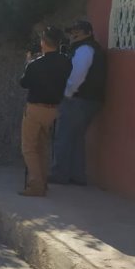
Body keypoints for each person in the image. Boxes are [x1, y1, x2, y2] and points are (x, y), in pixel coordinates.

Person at [49, 20, 107, 186]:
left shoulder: (84, 49)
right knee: (76, 138)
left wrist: (67, 94)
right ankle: (77, 176)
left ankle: (60, 174)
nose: (73, 35)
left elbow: (77, 75)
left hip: (79, 99)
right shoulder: (90, 48)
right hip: (90, 100)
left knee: (64, 137)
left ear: (88, 32)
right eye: (71, 31)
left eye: (77, 31)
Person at [18, 26, 72, 196]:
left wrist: (28, 62)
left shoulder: (35, 64)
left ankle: (36, 184)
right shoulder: (66, 61)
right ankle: (43, 182)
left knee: (29, 148)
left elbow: (24, 83)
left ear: (43, 42)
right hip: (53, 109)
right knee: (43, 147)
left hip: (35, 108)